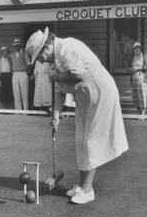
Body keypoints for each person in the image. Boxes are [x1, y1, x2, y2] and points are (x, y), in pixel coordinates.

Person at [25, 28, 128, 204]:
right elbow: (59, 91)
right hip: (86, 99)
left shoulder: (67, 48)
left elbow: (78, 75)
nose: (40, 61)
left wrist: (56, 76)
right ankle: (81, 185)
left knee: (91, 141)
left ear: (46, 48)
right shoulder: (55, 61)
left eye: (39, 57)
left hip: (101, 94)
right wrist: (56, 115)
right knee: (81, 139)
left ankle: (88, 190)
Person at [128, 42, 147, 120]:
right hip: (134, 79)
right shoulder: (132, 57)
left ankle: (143, 113)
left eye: (138, 48)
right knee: (136, 96)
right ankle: (138, 111)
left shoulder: (144, 56)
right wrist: (131, 70)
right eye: (135, 49)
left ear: (140, 49)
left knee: (143, 95)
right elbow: (127, 68)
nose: (136, 50)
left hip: (142, 79)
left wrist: (138, 69)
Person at [10, 37, 30, 111]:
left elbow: (29, 65)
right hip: (15, 74)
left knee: (24, 93)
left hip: (23, 73)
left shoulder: (25, 53)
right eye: (15, 45)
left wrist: (27, 73)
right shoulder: (12, 55)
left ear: (21, 45)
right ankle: (18, 110)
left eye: (18, 45)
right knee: (16, 93)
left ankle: (25, 110)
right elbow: (12, 65)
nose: (16, 47)